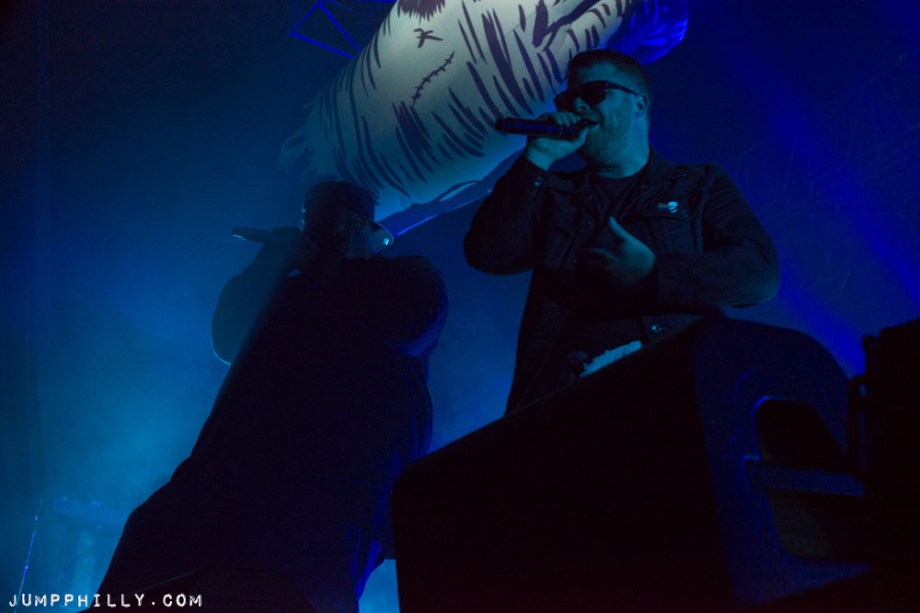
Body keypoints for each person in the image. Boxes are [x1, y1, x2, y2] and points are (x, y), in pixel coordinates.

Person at [97, 181, 448, 611]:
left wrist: (326, 263)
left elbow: (412, 320)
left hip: (330, 501)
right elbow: (228, 337)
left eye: (335, 221)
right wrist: (271, 261)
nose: (319, 232)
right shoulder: (290, 292)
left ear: (364, 227)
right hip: (224, 482)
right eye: (312, 221)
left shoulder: (407, 281)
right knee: (145, 565)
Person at [464, 49, 779, 414]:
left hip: (675, 399)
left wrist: (654, 273)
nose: (577, 105)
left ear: (638, 104)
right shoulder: (554, 194)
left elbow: (760, 273)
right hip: (566, 411)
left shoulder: (697, 186)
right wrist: (537, 158)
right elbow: (488, 252)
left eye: (593, 93)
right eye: (568, 99)